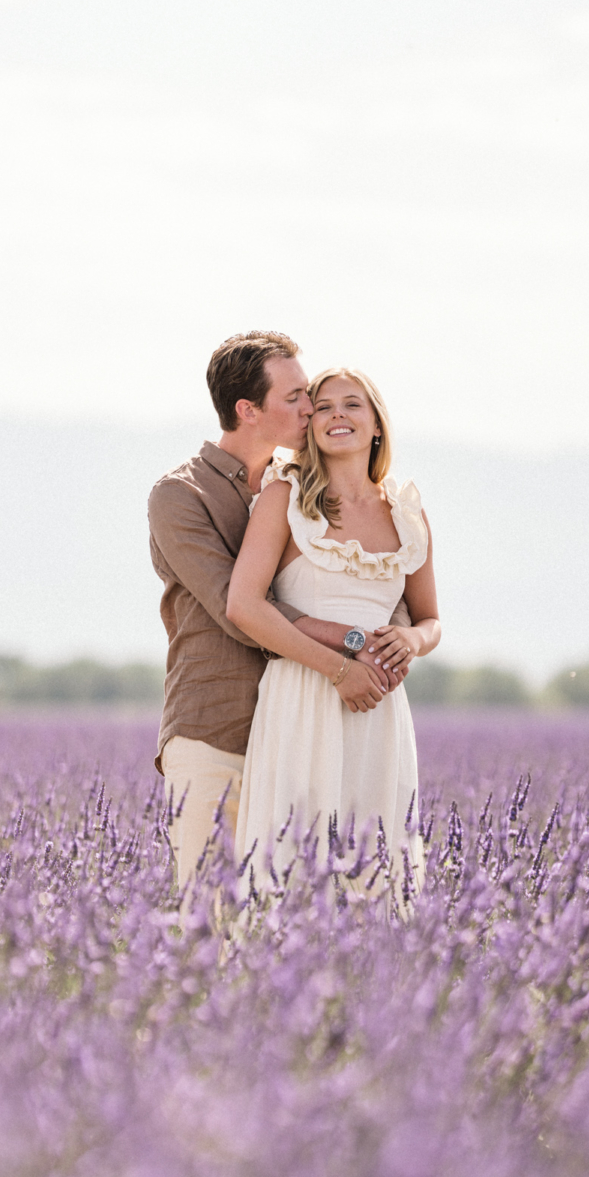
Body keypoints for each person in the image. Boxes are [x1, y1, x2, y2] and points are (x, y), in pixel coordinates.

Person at [148, 333, 413, 888]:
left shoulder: (302, 490)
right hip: (216, 732)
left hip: (302, 736)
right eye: (294, 397)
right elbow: (238, 609)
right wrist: (351, 644)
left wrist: (400, 637)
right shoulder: (181, 497)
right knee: (213, 923)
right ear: (248, 410)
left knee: (294, 919)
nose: (310, 407)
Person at [227, 367, 441, 899]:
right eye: (322, 407)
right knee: (291, 866)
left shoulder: (406, 512)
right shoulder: (287, 497)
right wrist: (340, 667)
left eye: (352, 405)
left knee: (375, 870)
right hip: (302, 699)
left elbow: (429, 619)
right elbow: (245, 606)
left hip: (380, 711)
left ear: (376, 426)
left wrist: (411, 641)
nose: (336, 415)